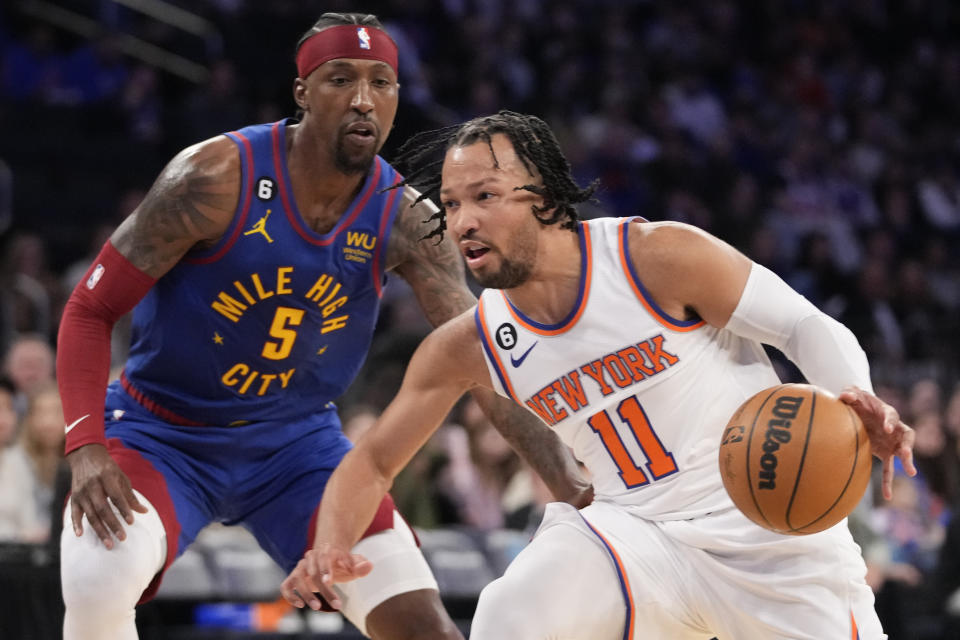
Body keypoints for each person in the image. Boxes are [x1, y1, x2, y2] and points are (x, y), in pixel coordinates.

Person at [280, 111, 917, 639]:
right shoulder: (471, 343)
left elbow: (805, 327)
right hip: (634, 535)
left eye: (485, 196)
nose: (462, 221)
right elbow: (372, 461)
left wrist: (850, 400)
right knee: (510, 616)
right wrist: (331, 544)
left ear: (547, 201)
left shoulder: (653, 258)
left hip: (770, 534)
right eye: (451, 203)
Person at [56, 17, 588, 640]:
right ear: (303, 92)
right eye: (342, 79)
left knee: (425, 628)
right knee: (97, 584)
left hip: (297, 450)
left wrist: (565, 482)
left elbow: (484, 359)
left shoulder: (405, 219)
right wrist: (86, 446)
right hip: (164, 433)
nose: (364, 99)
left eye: (381, 83)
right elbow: (88, 310)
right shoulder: (212, 178)